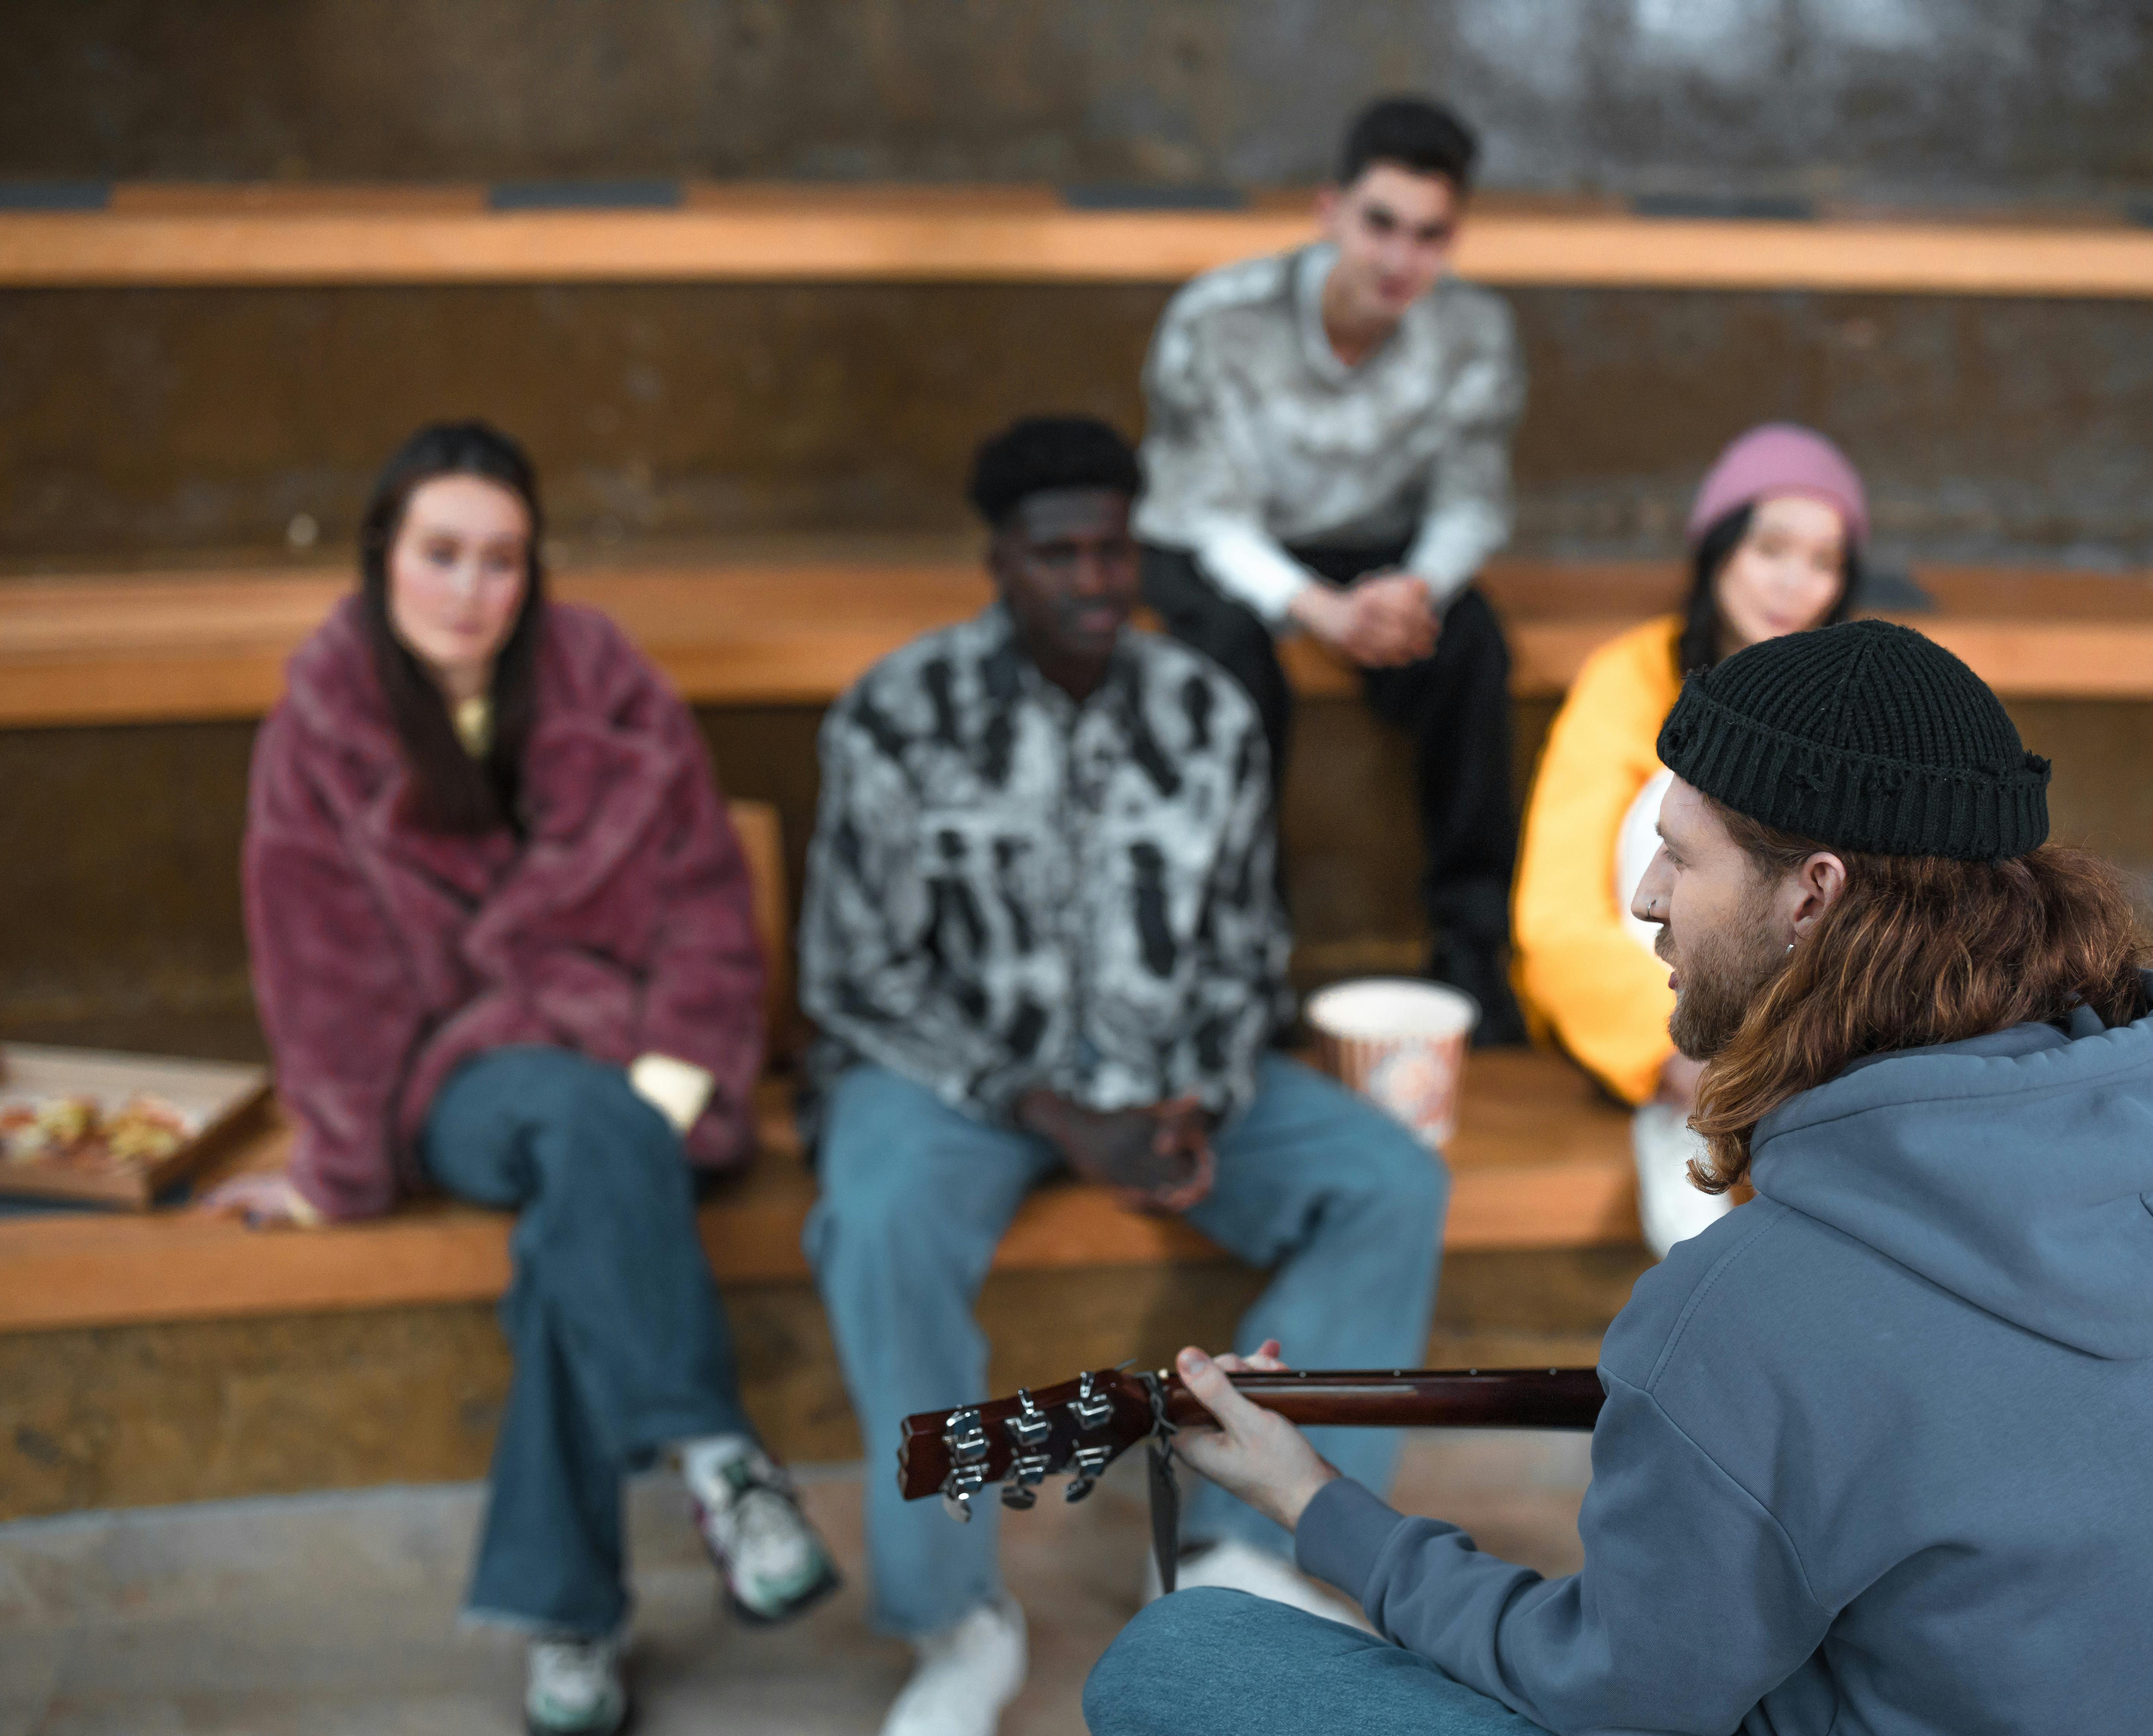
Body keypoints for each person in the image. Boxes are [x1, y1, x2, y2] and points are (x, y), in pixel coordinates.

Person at [1084, 618, 2153, 1735]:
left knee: (1185, 1657)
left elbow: (1619, 1698)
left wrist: (1317, 1508)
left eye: (1680, 858)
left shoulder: (1746, 1311)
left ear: (1812, 894)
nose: (1643, 897)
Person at [799, 416, 1449, 1736]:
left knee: (1387, 1178)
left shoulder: (1204, 709)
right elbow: (857, 975)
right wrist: (1054, 1115)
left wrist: (1198, 1099)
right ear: (1000, 558)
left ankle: (1241, 1552)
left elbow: (1245, 944)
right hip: (956, 1087)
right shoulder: (899, 713)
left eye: (1113, 550)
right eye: (1058, 554)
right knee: (877, 1217)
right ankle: (956, 1622)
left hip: (1165, 1081)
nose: (1095, 581)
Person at [207, 422, 835, 1736]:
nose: (471, 590)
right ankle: (719, 1452)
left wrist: (670, 1093)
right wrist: (337, 1171)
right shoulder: (323, 719)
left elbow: (707, 913)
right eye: (442, 554)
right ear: (386, 555)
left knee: (578, 1229)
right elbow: (319, 975)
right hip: (464, 1081)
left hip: (635, 1076)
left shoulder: (608, 682)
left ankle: (570, 1624)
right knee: (567, 1114)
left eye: (502, 560)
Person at [1135, 94, 1529, 1039]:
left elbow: (1471, 504)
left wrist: (1415, 589)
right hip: (1214, 535)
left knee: (1474, 648)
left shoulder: (1476, 333)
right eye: (1380, 224)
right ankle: (1242, 955)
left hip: (1377, 545)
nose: (1401, 259)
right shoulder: (1219, 320)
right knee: (1229, 661)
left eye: (1431, 235)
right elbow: (1214, 519)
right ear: (1330, 211)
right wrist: (1317, 609)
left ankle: (1471, 947)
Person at [1513, 424, 1866, 1255]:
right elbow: (1558, 915)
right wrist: (1675, 1053)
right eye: (1771, 547)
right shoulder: (1630, 679)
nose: (1793, 582)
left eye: (1824, 561)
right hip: (1676, 1011)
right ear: (1718, 547)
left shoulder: (1858, 698)